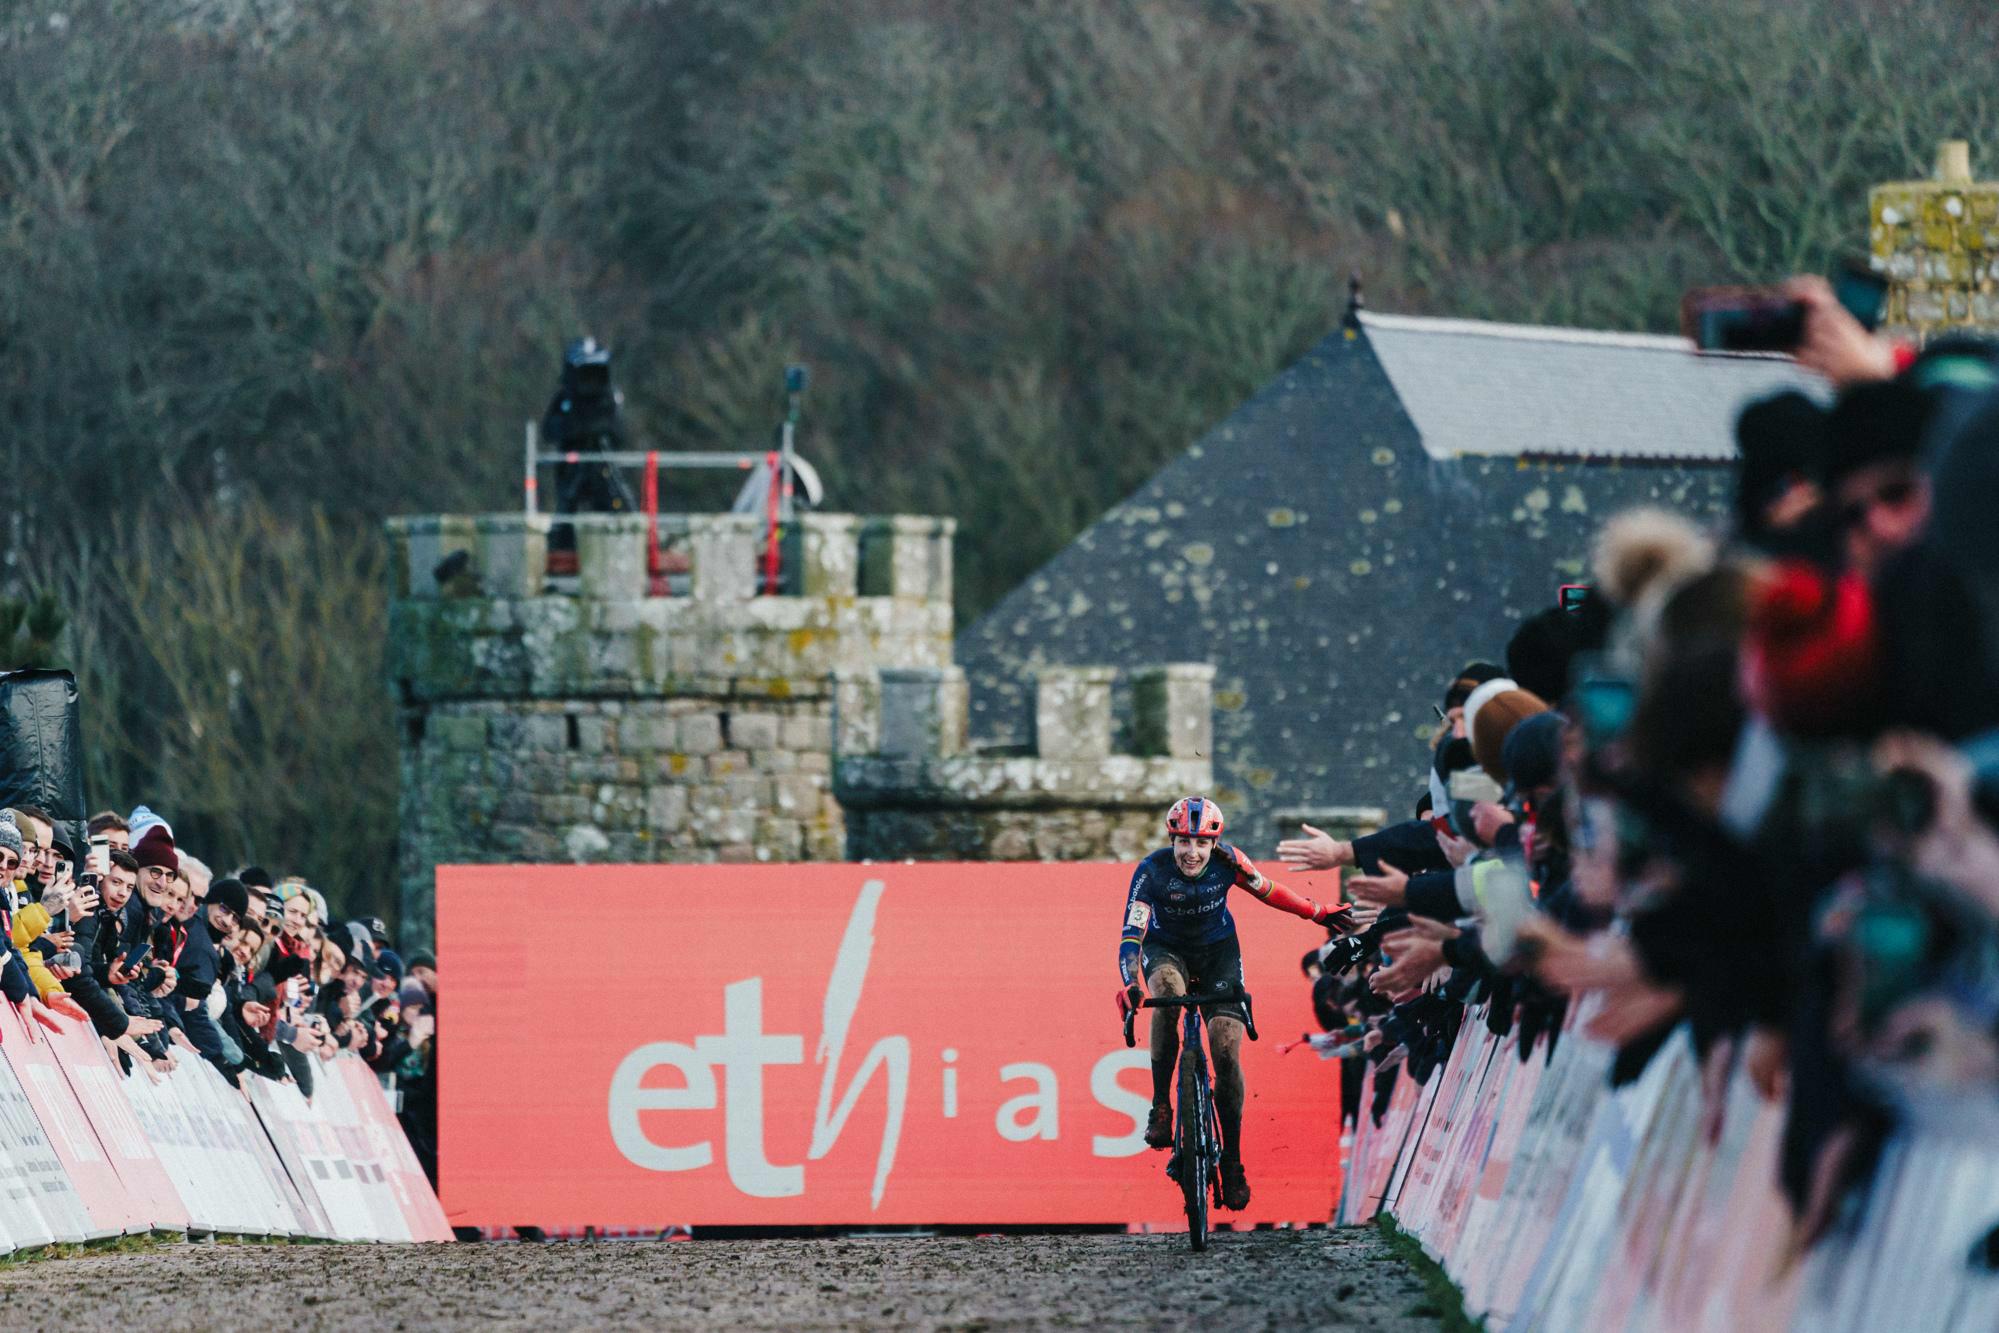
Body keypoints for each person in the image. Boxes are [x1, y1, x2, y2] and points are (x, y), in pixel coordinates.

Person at [1114, 795, 1350, 1211]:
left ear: (1214, 844)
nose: (1192, 853)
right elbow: (1132, 933)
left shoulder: (1230, 862)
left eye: (1201, 844)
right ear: (1172, 839)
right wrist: (1131, 982)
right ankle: (1161, 1106)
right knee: (1166, 992)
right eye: (1184, 842)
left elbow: (1271, 892)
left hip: (1219, 951)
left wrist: (1317, 913)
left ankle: (1233, 1162)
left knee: (1225, 1049)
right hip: (1166, 949)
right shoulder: (1151, 871)